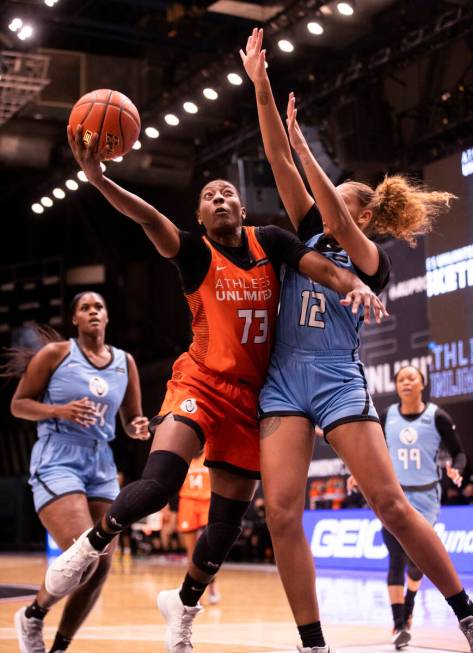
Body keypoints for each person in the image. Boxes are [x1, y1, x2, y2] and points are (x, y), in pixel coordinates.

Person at [42, 121, 385, 653]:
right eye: (208, 195)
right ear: (200, 218)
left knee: (224, 526)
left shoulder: (271, 242)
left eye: (227, 192)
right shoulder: (194, 253)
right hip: (200, 381)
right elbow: (146, 215)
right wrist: (97, 178)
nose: (219, 197)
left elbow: (322, 267)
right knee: (159, 483)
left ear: (242, 210)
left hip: (254, 397)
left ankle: (183, 608)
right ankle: (92, 542)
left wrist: (356, 283)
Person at [240, 27, 473, 653]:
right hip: (286, 378)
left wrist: (305, 147)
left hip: (339, 379)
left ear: (364, 214)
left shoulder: (371, 257)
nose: (324, 196)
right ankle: (312, 640)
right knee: (282, 512)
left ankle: (465, 612)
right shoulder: (310, 234)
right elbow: (278, 160)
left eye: (338, 194)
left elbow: (332, 208)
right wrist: (260, 88)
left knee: (392, 506)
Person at [4, 292, 150, 653]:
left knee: (100, 567)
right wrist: (60, 411)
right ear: (75, 320)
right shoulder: (55, 355)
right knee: (81, 553)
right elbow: (18, 405)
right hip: (58, 458)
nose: (93, 312)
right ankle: (34, 614)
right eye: (85, 308)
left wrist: (139, 428)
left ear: (107, 316)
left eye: (99, 306)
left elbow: (131, 420)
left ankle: (59, 647)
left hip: (101, 464)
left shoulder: (124, 362)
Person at [348, 365, 467, 649]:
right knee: (395, 558)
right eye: (401, 379)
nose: (405, 382)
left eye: (411, 378)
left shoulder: (437, 416)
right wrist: (358, 471)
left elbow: (459, 453)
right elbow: (371, 449)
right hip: (395, 497)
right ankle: (399, 624)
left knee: (417, 564)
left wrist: (457, 469)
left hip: (426, 498)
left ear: (422, 383)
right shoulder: (387, 416)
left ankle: (410, 602)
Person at [178, 451, 220, 604]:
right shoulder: (184, 454)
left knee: (208, 550)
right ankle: (194, 590)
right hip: (188, 503)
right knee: (192, 552)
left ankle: (213, 587)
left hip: (207, 503)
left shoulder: (210, 454)